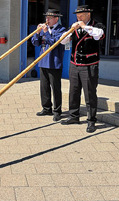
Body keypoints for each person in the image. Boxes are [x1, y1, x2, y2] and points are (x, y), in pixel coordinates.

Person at [60, 5, 105, 133]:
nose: (79, 17)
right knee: (73, 91)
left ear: (88, 15)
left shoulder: (98, 26)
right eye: (77, 15)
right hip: (75, 64)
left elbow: (99, 35)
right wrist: (69, 32)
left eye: (81, 15)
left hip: (89, 65)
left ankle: (91, 121)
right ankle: (74, 116)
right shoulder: (74, 27)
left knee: (89, 93)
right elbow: (63, 42)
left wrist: (84, 27)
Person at [31, 9, 66, 121]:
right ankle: (46, 108)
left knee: (55, 88)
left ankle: (57, 111)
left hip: (54, 62)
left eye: (50, 18)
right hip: (43, 62)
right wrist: (37, 33)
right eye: (46, 18)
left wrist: (46, 32)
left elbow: (54, 43)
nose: (47, 20)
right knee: (44, 87)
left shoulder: (62, 30)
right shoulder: (44, 29)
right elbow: (35, 43)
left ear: (56, 19)